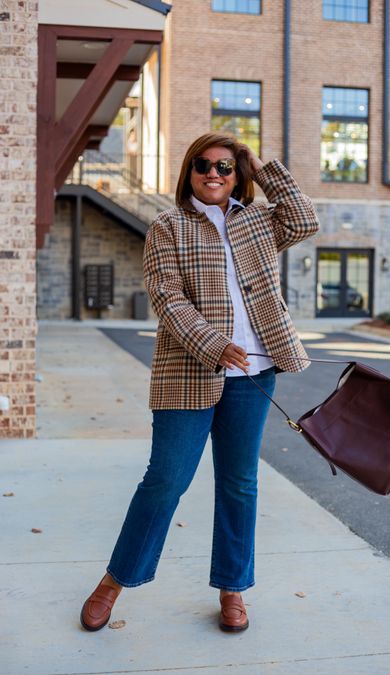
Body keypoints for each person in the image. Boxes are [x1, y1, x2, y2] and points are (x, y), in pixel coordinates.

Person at [80, 132, 320, 633]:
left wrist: (261, 168)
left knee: (239, 484)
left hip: (252, 376)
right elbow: (167, 298)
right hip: (187, 374)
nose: (214, 173)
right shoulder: (167, 226)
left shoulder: (257, 220)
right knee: (166, 480)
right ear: (189, 172)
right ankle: (114, 580)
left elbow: (304, 220)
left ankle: (233, 588)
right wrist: (212, 344)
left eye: (226, 167)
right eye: (204, 165)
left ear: (238, 175)